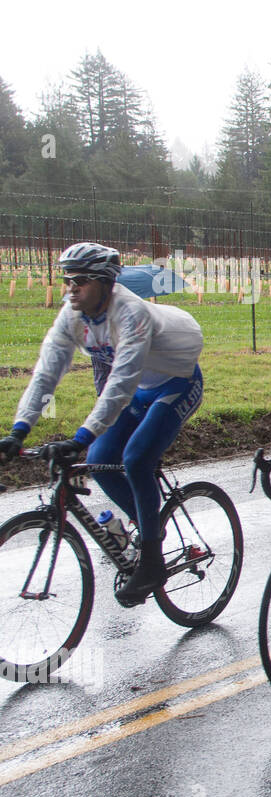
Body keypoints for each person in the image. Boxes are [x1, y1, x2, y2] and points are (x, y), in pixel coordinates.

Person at [0, 242, 204, 606]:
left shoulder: (130, 313)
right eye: (67, 280)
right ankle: (147, 527)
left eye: (80, 281)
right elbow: (46, 373)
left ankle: (152, 559)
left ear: (106, 283)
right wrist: (19, 430)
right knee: (100, 459)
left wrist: (79, 437)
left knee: (137, 458)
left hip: (176, 382)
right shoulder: (72, 316)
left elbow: (120, 383)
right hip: (138, 390)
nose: (70, 288)